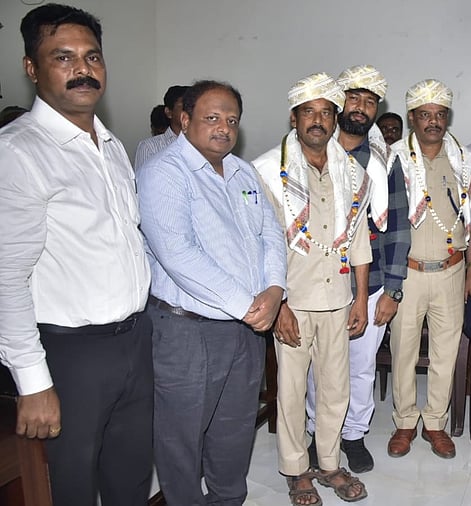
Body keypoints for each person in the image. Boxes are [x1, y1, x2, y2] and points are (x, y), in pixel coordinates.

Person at [0, 4, 153, 504]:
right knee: (73, 486)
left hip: (133, 339)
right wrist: (33, 379)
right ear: (31, 68)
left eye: (92, 57)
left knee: (129, 475)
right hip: (71, 353)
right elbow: (7, 276)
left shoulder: (109, 146)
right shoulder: (19, 152)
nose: (82, 69)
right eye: (62, 57)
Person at [137, 80, 286, 505]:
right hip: (188, 332)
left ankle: (227, 500)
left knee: (235, 429)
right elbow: (177, 253)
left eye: (232, 120)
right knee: (181, 435)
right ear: (185, 120)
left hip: (247, 327)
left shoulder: (243, 171)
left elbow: (271, 234)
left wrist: (274, 290)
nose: (223, 127)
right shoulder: (163, 172)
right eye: (212, 118)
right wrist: (248, 306)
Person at [253, 72, 371, 504]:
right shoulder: (269, 170)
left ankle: (329, 463)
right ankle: (296, 468)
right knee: (291, 388)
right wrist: (278, 302)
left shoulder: (351, 173)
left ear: (335, 118)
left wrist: (360, 297)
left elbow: (358, 241)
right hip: (293, 300)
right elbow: (261, 243)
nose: (318, 121)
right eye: (309, 112)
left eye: (326, 112)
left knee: (336, 387)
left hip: (338, 299)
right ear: (294, 117)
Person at [304, 64, 410, 474]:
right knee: (320, 365)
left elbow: (399, 228)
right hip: (319, 281)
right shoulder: (309, 153)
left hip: (375, 280)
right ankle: (319, 433)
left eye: (370, 101)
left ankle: (353, 434)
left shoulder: (384, 161)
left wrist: (393, 290)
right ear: (337, 102)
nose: (361, 107)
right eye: (354, 98)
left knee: (361, 365)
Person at [386, 79, 471, 460]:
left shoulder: (466, 162)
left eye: (440, 115)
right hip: (407, 273)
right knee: (403, 351)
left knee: (446, 352)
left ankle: (435, 424)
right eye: (425, 115)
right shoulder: (392, 158)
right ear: (412, 118)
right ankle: (405, 421)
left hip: (452, 271)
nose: (433, 122)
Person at [134, 84, 188, 169]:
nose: (190, 111)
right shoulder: (150, 147)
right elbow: (144, 181)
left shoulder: (204, 144)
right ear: (169, 112)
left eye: (193, 107)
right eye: (184, 107)